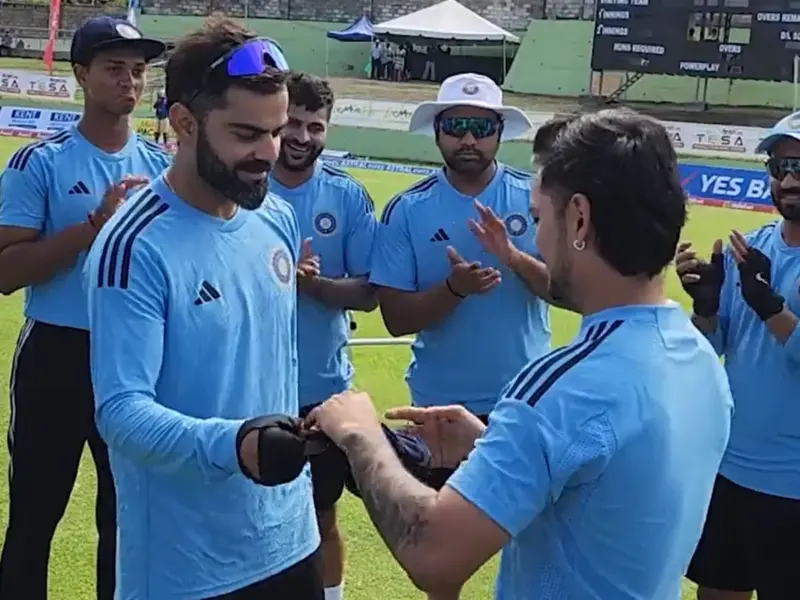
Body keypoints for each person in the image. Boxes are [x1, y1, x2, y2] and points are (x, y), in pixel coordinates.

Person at [308, 108, 733, 600]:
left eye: (537, 218)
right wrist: (495, 444)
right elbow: (608, 485)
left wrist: (361, 434)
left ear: (578, 218)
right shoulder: (696, 354)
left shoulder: (563, 386)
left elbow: (434, 557)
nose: (537, 239)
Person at [84, 17, 322, 599]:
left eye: (276, 131)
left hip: (291, 537)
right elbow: (121, 412)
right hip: (187, 566)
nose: (269, 152)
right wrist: (234, 445)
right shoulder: (134, 244)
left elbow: (266, 368)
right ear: (184, 123)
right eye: (246, 134)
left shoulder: (276, 219)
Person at [0, 16, 168, 600]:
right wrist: (94, 226)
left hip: (132, 357)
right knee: (33, 515)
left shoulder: (163, 169)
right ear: (80, 74)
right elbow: (6, 272)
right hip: (57, 351)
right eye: (114, 68)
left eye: (138, 70)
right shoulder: (40, 162)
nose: (129, 81)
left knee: (125, 518)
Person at [369, 73, 563, 491]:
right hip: (439, 404)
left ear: (500, 132)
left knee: (525, 526)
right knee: (437, 525)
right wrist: (454, 289)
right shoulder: (407, 209)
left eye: (482, 127)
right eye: (456, 127)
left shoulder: (535, 198)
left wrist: (512, 257)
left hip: (523, 399)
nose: (469, 140)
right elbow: (396, 319)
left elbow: (568, 293)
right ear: (437, 131)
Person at [678, 112, 800, 600]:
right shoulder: (751, 251)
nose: (789, 180)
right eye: (780, 167)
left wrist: (771, 308)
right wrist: (706, 308)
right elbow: (712, 352)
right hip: (730, 468)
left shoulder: (755, 269)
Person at [269, 72, 378, 600]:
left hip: (321, 387)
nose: (302, 136)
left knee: (321, 512)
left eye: (315, 126)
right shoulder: (242, 185)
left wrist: (314, 286)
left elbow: (370, 292)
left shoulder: (346, 195)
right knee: (244, 509)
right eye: (293, 122)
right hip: (249, 382)